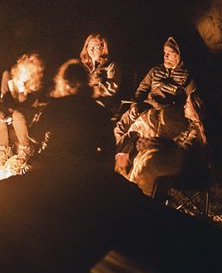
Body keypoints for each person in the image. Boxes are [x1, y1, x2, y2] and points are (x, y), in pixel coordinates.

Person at [115, 36, 205, 187]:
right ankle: (118, 167)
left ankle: (133, 179)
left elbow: (193, 99)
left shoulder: (186, 76)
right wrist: (135, 104)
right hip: (146, 107)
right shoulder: (155, 71)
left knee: (140, 136)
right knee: (121, 130)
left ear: (179, 55)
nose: (165, 56)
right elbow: (142, 89)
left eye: (169, 53)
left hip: (168, 113)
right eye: (164, 52)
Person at [34, 59, 113, 166]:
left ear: (65, 83)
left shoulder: (55, 107)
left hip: (54, 166)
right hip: (85, 168)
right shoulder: (99, 111)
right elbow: (109, 149)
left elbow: (35, 134)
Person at [0, 52, 45, 169]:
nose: (23, 73)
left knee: (17, 114)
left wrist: (21, 88)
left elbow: (25, 104)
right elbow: (4, 97)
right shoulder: (8, 75)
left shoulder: (36, 83)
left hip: (28, 111)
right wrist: (7, 111)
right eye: (21, 70)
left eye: (27, 72)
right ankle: (4, 150)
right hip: (12, 109)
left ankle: (26, 149)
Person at [79, 32, 121, 107]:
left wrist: (92, 91)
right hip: (82, 101)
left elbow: (112, 87)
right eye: (90, 45)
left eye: (96, 46)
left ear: (103, 48)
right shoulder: (83, 66)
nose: (91, 49)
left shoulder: (111, 65)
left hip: (100, 104)